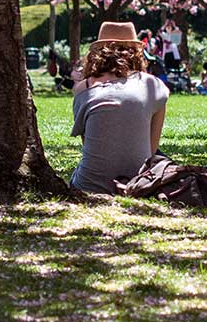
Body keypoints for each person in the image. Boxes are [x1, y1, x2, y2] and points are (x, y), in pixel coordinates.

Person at [69, 21, 168, 195]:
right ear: (136, 52)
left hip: (89, 185)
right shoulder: (153, 85)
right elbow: (151, 150)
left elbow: (89, 143)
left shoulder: (83, 88)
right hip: (138, 183)